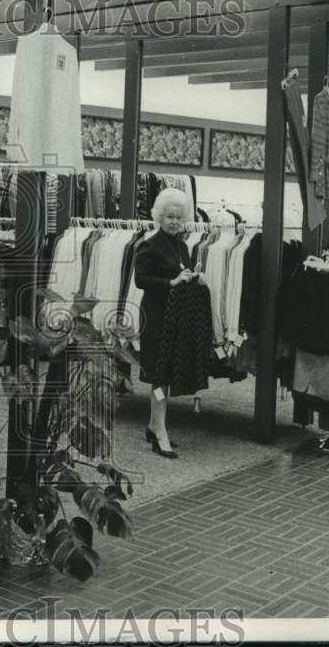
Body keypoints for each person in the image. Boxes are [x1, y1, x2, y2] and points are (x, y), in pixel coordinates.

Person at [133, 188, 206, 458]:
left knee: (166, 375)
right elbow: (141, 280)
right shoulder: (148, 246)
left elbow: (181, 271)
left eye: (178, 217)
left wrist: (194, 276)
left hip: (176, 317)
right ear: (159, 217)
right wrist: (171, 282)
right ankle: (160, 431)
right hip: (155, 318)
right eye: (169, 216)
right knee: (158, 376)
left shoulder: (182, 245)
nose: (174, 221)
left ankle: (154, 425)